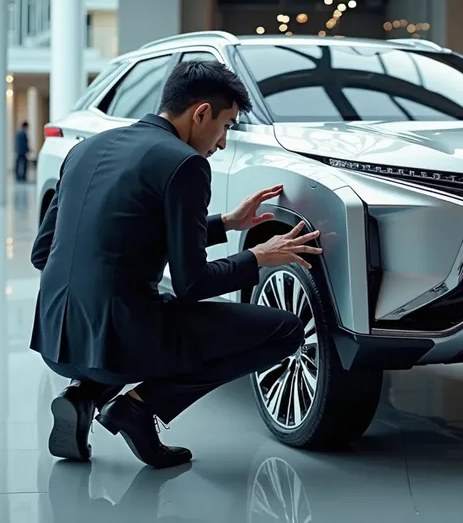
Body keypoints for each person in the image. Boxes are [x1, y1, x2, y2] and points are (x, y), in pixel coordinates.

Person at [30, 60, 323, 469]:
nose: (221, 142)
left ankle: (84, 395)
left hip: (56, 338)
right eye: (226, 125)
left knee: (133, 311)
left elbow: (43, 253)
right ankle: (138, 407)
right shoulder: (184, 163)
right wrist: (258, 256)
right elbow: (193, 284)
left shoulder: (85, 149)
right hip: (120, 339)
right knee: (284, 331)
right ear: (201, 112)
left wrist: (226, 223)